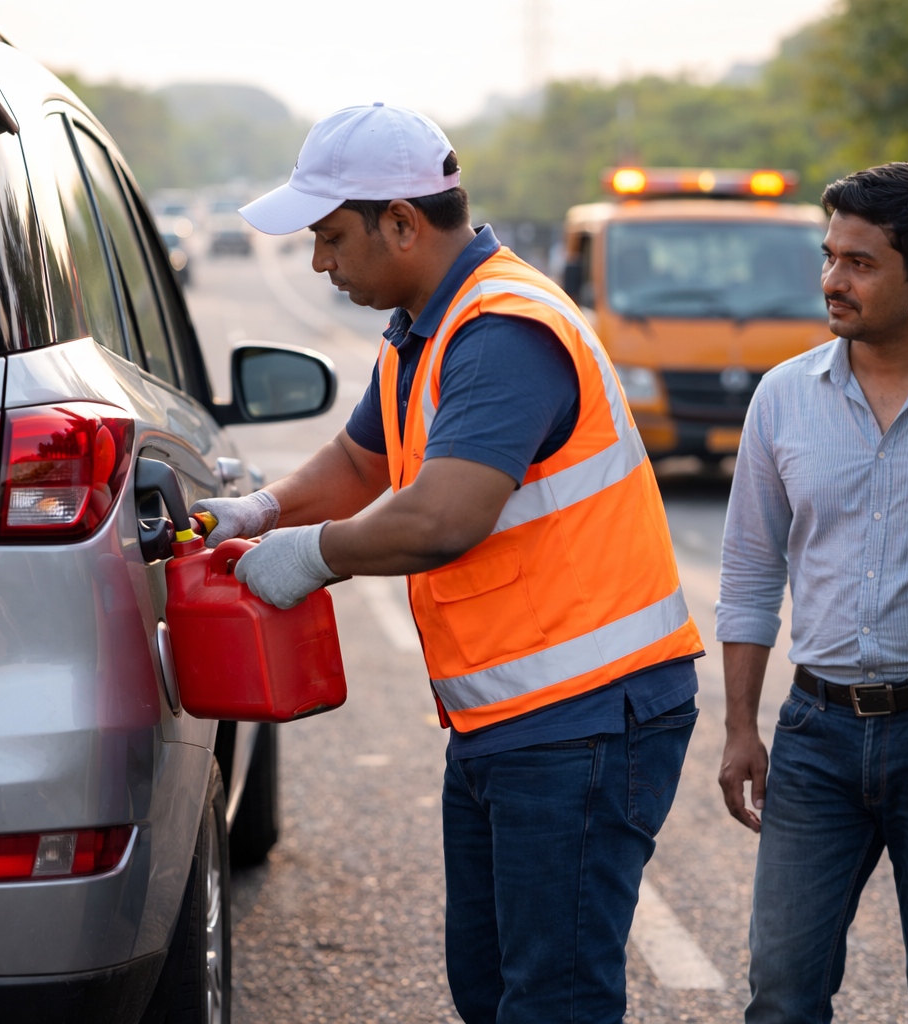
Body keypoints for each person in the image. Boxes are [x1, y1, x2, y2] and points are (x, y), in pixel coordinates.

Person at [195, 102, 704, 1024]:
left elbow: (440, 518)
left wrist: (310, 554)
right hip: (512, 719)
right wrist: (264, 507)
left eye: (330, 236)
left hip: (583, 716)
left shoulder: (504, 330)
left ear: (402, 221)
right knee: (492, 986)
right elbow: (361, 462)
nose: (319, 262)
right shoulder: (428, 322)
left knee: (551, 999)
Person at [717, 161, 908, 1023]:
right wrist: (739, 727)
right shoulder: (782, 397)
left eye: (860, 262)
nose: (833, 280)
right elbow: (751, 569)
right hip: (814, 736)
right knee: (781, 992)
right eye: (829, 256)